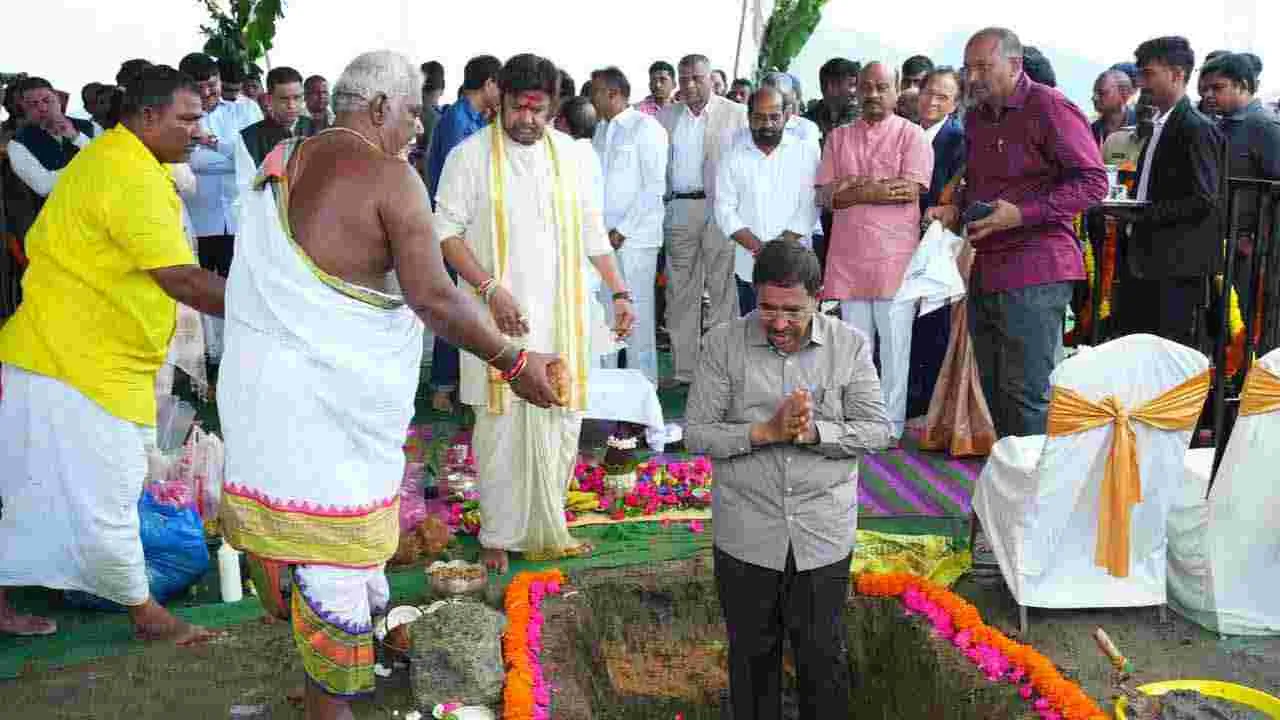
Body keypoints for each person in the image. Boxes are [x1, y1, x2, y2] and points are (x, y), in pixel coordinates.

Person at [217, 51, 566, 719]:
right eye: (411, 113)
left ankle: (332, 673)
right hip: (326, 416)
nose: (417, 128)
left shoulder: (285, 158)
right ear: (378, 108)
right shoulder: (391, 175)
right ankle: (331, 704)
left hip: (270, 403)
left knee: (320, 560)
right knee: (336, 560)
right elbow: (434, 296)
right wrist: (515, 363)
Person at [0, 65, 225, 644]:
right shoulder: (126, 171)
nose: (198, 131)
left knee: (36, 491)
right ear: (148, 117)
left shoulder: (122, 160)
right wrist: (274, 309)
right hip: (73, 364)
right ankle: (145, 612)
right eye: (187, 119)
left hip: (74, 359)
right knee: (109, 493)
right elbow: (179, 277)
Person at [433, 53, 636, 574]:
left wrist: (619, 292)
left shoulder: (571, 155)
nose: (527, 120)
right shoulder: (469, 157)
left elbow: (593, 232)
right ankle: (499, 535)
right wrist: (489, 289)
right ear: (498, 97)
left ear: (554, 107)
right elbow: (445, 232)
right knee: (499, 428)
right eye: (518, 109)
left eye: (538, 110)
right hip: (493, 318)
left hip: (561, 314)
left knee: (561, 421)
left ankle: (550, 527)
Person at [685, 237, 892, 720]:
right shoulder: (722, 343)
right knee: (753, 658)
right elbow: (696, 433)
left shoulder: (849, 345)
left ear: (818, 298)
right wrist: (764, 432)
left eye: (794, 311)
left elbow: (878, 430)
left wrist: (814, 432)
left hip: (822, 532)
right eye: (768, 308)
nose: (779, 323)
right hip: (747, 534)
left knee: (822, 657)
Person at [925, 28, 1107, 438]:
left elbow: (1093, 183)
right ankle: (1012, 493)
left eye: (983, 68)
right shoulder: (975, 117)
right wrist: (957, 207)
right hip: (988, 268)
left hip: (1037, 270)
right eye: (968, 68)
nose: (972, 78)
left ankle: (1038, 498)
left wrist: (1023, 214)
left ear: (1015, 64)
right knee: (997, 396)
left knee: (1027, 398)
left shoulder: (1049, 106)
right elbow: (983, 183)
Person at [817, 61, 933, 442]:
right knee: (855, 348)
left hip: (894, 258)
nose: (872, 94)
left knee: (896, 349)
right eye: (865, 87)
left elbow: (910, 190)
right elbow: (827, 197)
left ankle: (890, 427)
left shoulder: (912, 136)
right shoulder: (838, 138)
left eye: (881, 87)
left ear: (896, 89)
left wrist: (855, 188)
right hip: (850, 257)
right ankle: (859, 420)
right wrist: (874, 188)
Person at [1105, 37, 1223, 349]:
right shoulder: (1157, 124)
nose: (1142, 83)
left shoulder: (1195, 127)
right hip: (1145, 259)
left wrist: (1140, 215)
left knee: (1167, 356)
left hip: (1175, 266)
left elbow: (1203, 199)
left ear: (1176, 74)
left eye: (1148, 74)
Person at [656, 54, 748, 389]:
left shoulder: (736, 114)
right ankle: (684, 370)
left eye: (697, 77)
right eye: (684, 78)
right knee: (680, 292)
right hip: (679, 209)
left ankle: (721, 370)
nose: (690, 84)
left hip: (721, 211)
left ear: (711, 78)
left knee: (722, 292)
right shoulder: (666, 117)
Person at [424, 54, 502, 414]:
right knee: (454, 306)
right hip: (455, 229)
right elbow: (454, 186)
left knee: (464, 305)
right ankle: (443, 385)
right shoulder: (458, 122)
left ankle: (455, 383)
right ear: (488, 85)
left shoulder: (470, 119)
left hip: (465, 228)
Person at [591, 66, 669, 384]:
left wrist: (622, 230)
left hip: (636, 240)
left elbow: (653, 187)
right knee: (605, 315)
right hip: (602, 241)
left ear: (614, 94)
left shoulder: (646, 128)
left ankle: (642, 390)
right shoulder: (599, 129)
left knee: (637, 316)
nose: (591, 97)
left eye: (595, 91)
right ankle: (607, 390)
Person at [716, 87, 819, 315]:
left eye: (774, 117)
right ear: (748, 117)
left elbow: (809, 207)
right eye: (759, 117)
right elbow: (724, 210)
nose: (767, 124)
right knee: (753, 337)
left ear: (787, 115)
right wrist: (760, 249)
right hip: (749, 265)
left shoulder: (805, 153)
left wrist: (779, 249)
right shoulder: (732, 155)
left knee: (796, 338)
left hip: (796, 264)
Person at [907, 67, 965, 418]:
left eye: (942, 96)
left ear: (954, 103)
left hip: (936, 241)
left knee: (931, 316)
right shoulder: (905, 131)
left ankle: (925, 396)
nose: (932, 101)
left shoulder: (958, 140)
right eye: (928, 92)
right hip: (898, 236)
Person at [1202, 52, 1280, 305]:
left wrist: (1258, 237)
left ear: (1243, 85)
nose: (1208, 95)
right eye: (1206, 89)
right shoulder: (1219, 125)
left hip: (1251, 252)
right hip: (1220, 245)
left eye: (1218, 88)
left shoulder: (1264, 126)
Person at [805, 58, 861, 271]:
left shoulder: (864, 121)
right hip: (813, 205)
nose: (855, 92)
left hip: (851, 205)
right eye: (851, 84)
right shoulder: (806, 122)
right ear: (830, 86)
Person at [5, 77, 93, 201]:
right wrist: (90, 166)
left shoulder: (90, 126)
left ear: (58, 99)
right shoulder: (17, 144)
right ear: (24, 107)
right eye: (33, 104)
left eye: (47, 100)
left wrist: (76, 137)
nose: (42, 108)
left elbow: (108, 163)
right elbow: (45, 186)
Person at [238, 66, 312, 168]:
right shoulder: (248, 139)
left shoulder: (317, 130)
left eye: (297, 97)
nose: (291, 105)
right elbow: (245, 182)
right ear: (269, 99)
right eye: (284, 99)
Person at [1091, 69, 1137, 147]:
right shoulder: (1091, 131)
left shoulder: (1140, 126)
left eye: (1102, 93)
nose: (1094, 98)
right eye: (1094, 92)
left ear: (1124, 95)